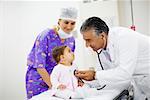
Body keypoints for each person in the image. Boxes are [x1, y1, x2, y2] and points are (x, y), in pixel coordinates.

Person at [75, 16, 150, 99]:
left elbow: (124, 73)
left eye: (89, 40)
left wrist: (94, 75)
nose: (87, 45)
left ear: (102, 36)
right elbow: (106, 75)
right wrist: (85, 82)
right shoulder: (103, 50)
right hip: (141, 82)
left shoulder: (124, 37)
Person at [25, 7, 78, 99]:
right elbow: (39, 65)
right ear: (59, 21)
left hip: (59, 80)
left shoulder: (71, 40)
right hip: (39, 80)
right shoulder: (46, 35)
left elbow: (70, 63)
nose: (69, 26)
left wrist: (76, 80)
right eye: (66, 22)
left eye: (72, 23)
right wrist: (54, 86)